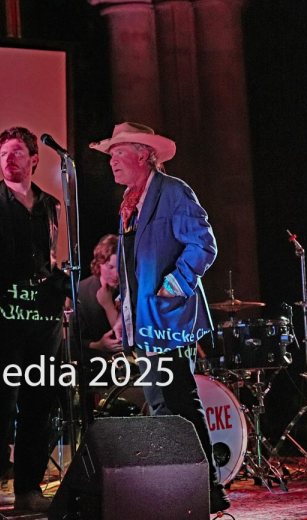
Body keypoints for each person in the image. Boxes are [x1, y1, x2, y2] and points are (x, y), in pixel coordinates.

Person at [89, 121, 230, 513]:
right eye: (111, 155)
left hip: (169, 317)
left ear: (144, 155)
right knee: (160, 404)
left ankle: (207, 490)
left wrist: (176, 284)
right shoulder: (130, 202)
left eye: (119, 154)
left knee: (179, 402)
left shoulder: (173, 192)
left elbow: (204, 244)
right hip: (147, 318)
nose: (112, 162)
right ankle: (182, 490)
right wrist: (127, 315)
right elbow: (135, 270)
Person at [0, 126, 70, 512]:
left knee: (40, 405)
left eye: (18, 152)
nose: (10, 159)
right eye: (4, 154)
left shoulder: (51, 205)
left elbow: (47, 261)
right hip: (5, 320)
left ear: (35, 159)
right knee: (1, 404)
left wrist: (61, 287)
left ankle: (28, 490)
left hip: (43, 322)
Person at [75, 234, 123, 395]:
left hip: (129, 373)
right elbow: (71, 341)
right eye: (110, 267)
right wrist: (98, 345)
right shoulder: (80, 292)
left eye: (120, 267)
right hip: (94, 374)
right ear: (99, 264)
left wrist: (109, 305)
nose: (116, 274)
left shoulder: (130, 291)